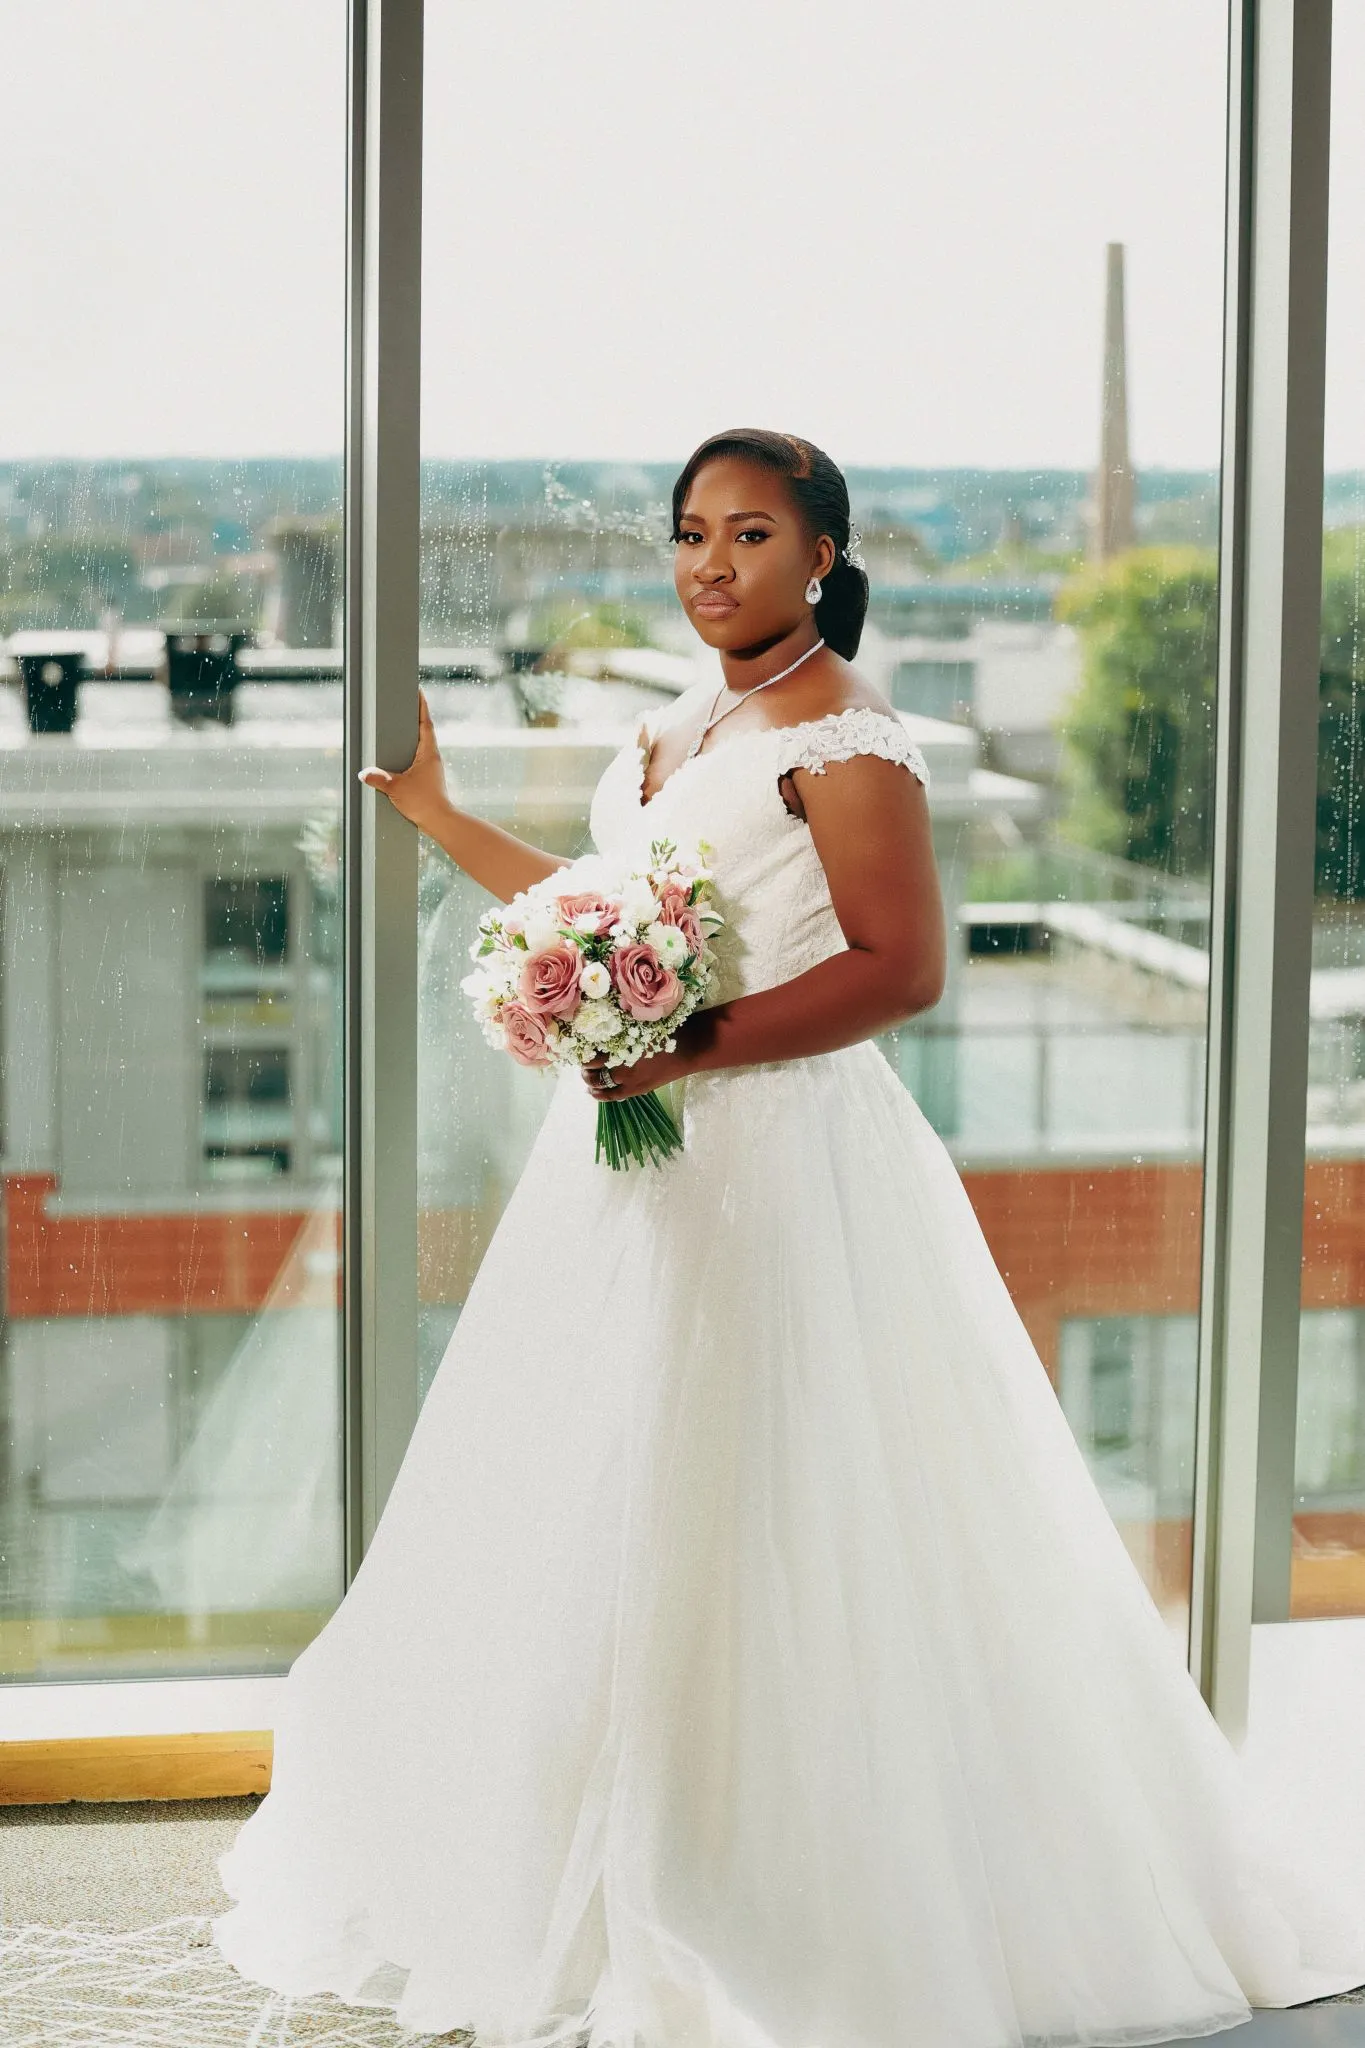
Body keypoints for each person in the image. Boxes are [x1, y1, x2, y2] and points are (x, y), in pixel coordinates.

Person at [213, 430, 1365, 2046]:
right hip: (634, 1168)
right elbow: (610, 919)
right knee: (604, 1489)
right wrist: (443, 822)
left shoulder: (851, 736)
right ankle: (594, 1844)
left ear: (822, 555)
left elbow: (900, 970)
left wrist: (683, 1046)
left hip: (784, 1163)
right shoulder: (677, 724)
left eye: (749, 536)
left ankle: (781, 1873)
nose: (709, 565)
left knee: (774, 1497)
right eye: (690, 534)